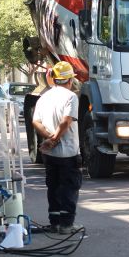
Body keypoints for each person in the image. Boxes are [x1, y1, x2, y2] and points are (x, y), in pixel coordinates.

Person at [32, 61, 83, 234]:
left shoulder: (44, 97)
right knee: (69, 188)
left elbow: (35, 121)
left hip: (50, 154)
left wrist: (48, 139)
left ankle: (54, 222)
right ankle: (66, 225)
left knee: (53, 187)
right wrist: (55, 138)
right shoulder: (71, 97)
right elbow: (66, 121)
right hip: (68, 152)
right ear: (69, 80)